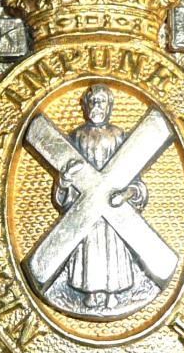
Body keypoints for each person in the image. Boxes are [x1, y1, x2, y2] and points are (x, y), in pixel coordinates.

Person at [54, 85, 148, 310]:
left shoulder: (120, 136)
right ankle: (92, 291)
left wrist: (127, 193)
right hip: (85, 209)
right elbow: (63, 184)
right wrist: (65, 180)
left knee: (111, 246)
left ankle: (112, 292)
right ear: (85, 107)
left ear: (110, 107)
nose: (97, 106)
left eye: (102, 101)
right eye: (93, 101)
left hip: (114, 211)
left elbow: (136, 180)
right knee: (90, 247)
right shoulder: (75, 136)